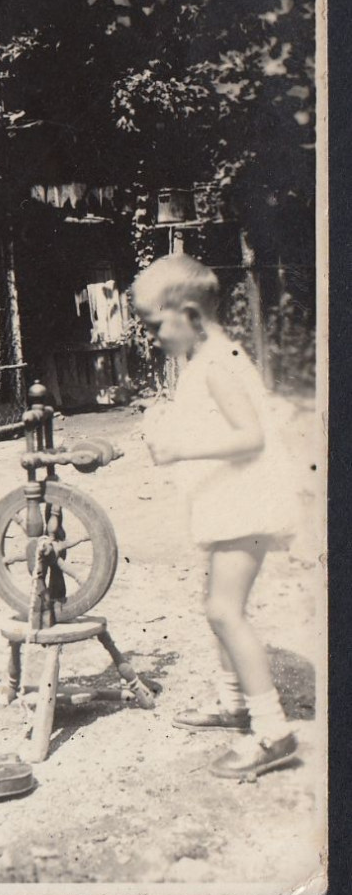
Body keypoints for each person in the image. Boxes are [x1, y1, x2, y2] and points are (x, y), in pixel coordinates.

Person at [131, 254, 298, 779]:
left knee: (226, 613)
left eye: (156, 326)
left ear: (191, 316)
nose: (153, 337)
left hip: (245, 504)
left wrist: (181, 449)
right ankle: (233, 703)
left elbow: (251, 436)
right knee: (215, 607)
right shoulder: (208, 359)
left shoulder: (219, 363)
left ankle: (273, 732)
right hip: (230, 502)